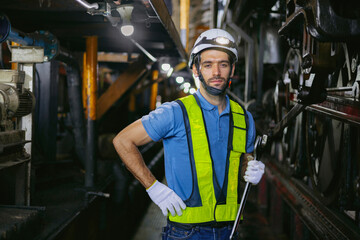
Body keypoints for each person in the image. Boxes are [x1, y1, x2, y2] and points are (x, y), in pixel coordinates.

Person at [113, 28, 265, 240]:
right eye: (208, 65)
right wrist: (153, 187)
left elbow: (241, 161)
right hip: (185, 233)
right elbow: (123, 140)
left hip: (230, 231)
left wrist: (250, 167)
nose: (217, 72)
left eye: (223, 64)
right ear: (196, 69)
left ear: (232, 69)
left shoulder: (244, 118)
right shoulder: (175, 112)